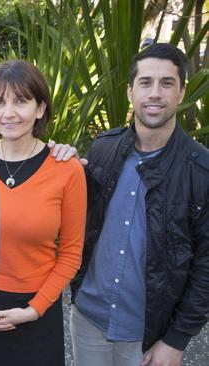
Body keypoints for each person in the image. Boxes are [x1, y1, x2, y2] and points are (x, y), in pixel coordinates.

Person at [70, 43, 209, 366]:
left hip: (150, 336)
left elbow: (206, 264)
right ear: (132, 90)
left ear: (181, 91)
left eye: (167, 83)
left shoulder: (200, 170)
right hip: (89, 321)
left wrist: (175, 340)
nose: (155, 93)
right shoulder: (103, 149)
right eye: (146, 83)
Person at [0, 60, 86, 365]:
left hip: (36, 315)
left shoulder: (66, 170)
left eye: (21, 100)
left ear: (41, 108)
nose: (9, 112)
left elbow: (71, 254)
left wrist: (33, 309)